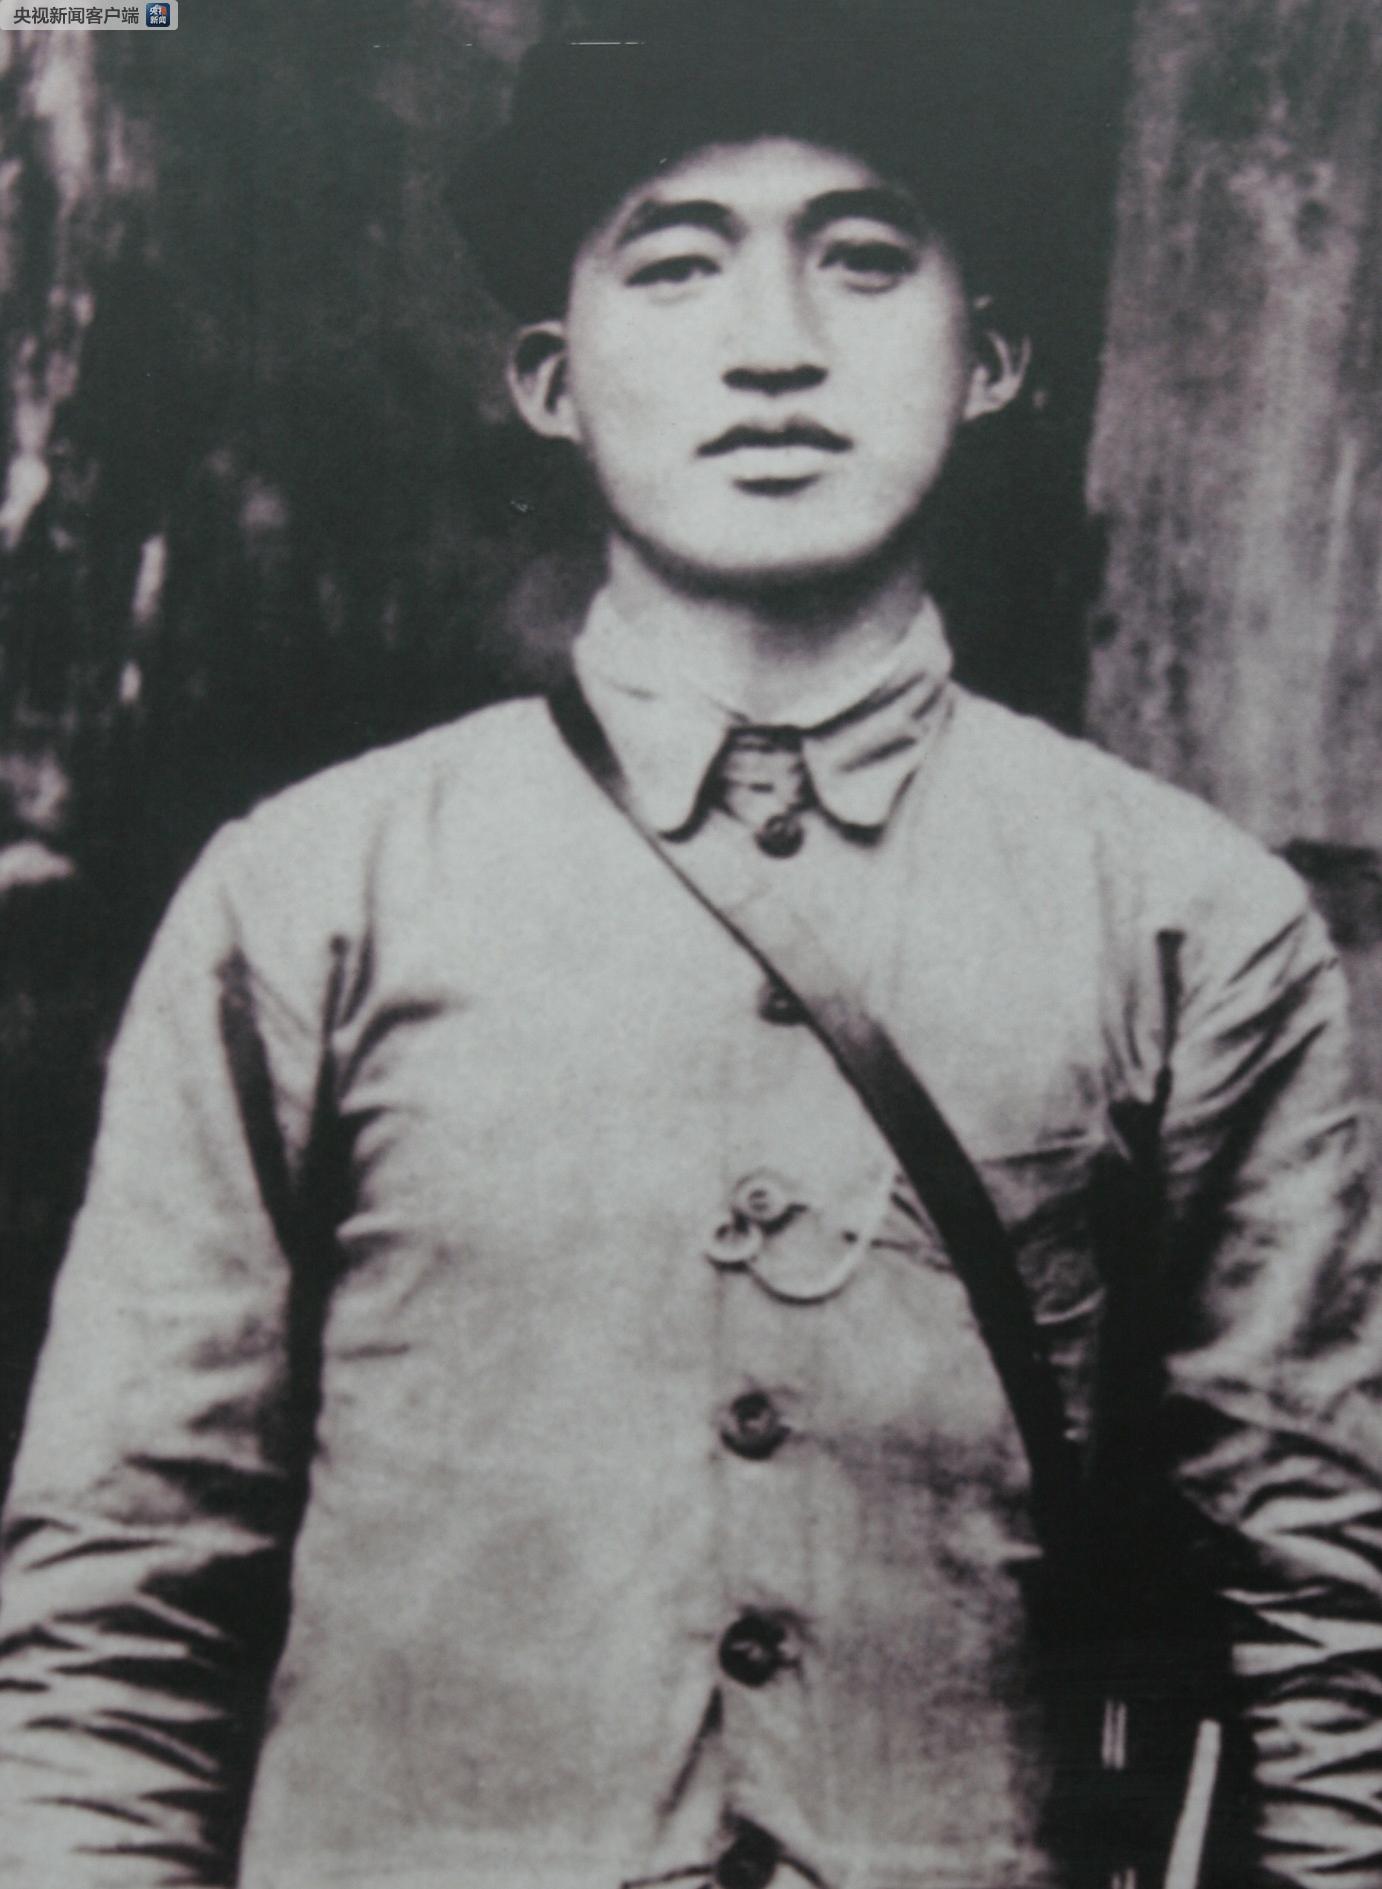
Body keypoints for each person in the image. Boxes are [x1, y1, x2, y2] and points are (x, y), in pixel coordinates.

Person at [2, 5, 1381, 1887]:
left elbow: (1327, 1613)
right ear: (550, 380)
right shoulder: (310, 897)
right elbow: (119, 1607)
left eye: (864, 260)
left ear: (990, 359)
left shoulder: (1186, 921)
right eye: (673, 265)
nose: (772, 345)